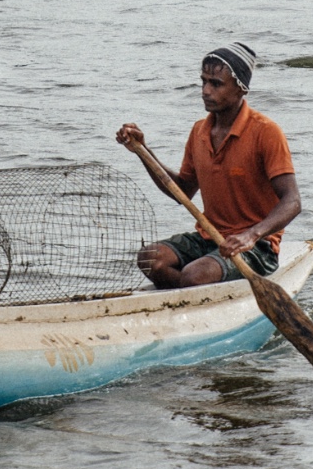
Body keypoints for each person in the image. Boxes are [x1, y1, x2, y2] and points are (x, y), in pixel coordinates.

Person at [116, 42, 301, 288]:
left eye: (216, 84)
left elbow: (293, 202)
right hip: (210, 237)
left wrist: (251, 236)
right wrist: (142, 151)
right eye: (203, 81)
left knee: (194, 275)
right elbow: (181, 190)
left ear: (241, 89)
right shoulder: (199, 132)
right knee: (150, 260)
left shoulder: (266, 132)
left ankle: (194, 289)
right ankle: (190, 295)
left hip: (257, 247)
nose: (205, 90)